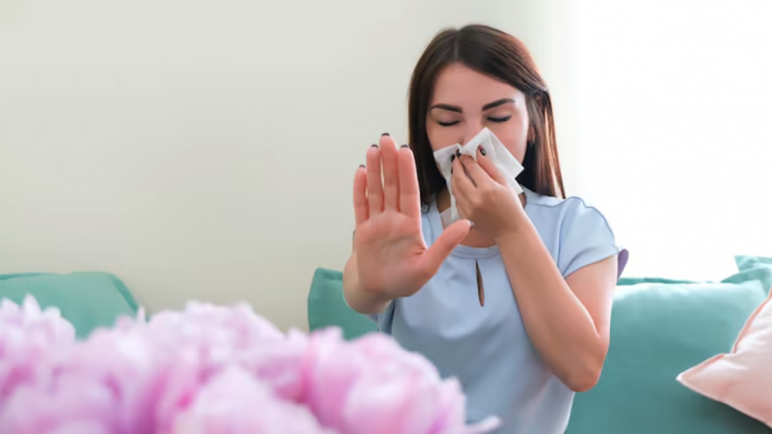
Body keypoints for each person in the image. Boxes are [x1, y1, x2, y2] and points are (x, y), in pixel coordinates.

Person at [343, 24, 618, 434]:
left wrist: (510, 229)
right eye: (449, 120)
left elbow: (582, 368)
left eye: (499, 117)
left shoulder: (577, 229)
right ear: (426, 130)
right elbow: (359, 289)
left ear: (533, 121)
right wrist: (371, 283)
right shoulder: (403, 229)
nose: (473, 140)